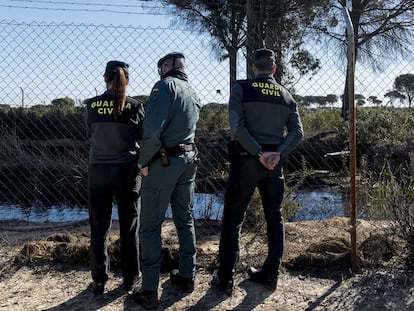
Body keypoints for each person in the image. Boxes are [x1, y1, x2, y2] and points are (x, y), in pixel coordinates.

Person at [211, 48, 304, 295]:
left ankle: (225, 279)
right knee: (275, 217)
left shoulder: (242, 89)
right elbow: (298, 133)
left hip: (247, 162)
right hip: (275, 165)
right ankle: (270, 275)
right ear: (273, 69)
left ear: (253, 67)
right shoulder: (286, 95)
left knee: (233, 218)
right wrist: (278, 154)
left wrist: (258, 152)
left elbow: (236, 127)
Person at [132, 52, 201, 309]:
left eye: (160, 66)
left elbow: (151, 131)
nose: (158, 71)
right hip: (189, 160)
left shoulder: (164, 86)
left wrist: (142, 163)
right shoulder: (192, 91)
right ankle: (187, 276)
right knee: (185, 220)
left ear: (166, 67)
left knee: (150, 226)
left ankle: (150, 290)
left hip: (164, 163)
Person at [84, 60, 144, 295]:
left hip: (98, 171)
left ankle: (99, 279)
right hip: (126, 173)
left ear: (105, 78)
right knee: (130, 226)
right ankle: (131, 277)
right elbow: (144, 137)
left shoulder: (91, 106)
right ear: (127, 80)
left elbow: (90, 134)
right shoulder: (135, 106)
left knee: (99, 228)